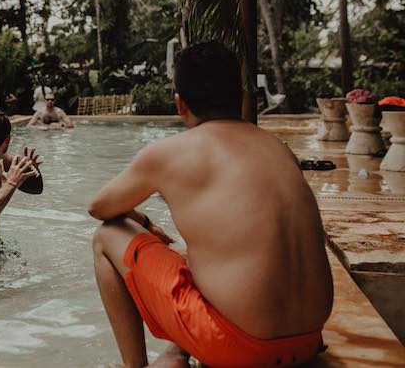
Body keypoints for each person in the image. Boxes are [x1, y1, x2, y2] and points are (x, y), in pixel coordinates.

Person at [88, 41, 333, 368]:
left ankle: (137, 365)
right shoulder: (278, 148)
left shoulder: (168, 153)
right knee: (198, 255)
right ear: (242, 96)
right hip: (307, 340)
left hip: (242, 348)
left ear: (180, 105)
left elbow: (99, 208)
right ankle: (178, 351)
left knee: (106, 236)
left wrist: (144, 223)